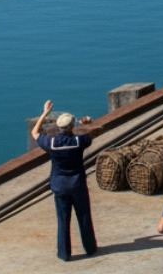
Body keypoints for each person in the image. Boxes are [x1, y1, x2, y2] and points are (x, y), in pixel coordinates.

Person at [32, 101, 98, 261]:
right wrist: (87, 124)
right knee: (83, 216)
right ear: (71, 127)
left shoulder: (52, 144)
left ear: (59, 127)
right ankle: (90, 248)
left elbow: (35, 133)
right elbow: (92, 134)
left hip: (59, 185)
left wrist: (44, 114)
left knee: (63, 219)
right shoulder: (78, 142)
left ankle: (64, 253)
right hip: (77, 184)